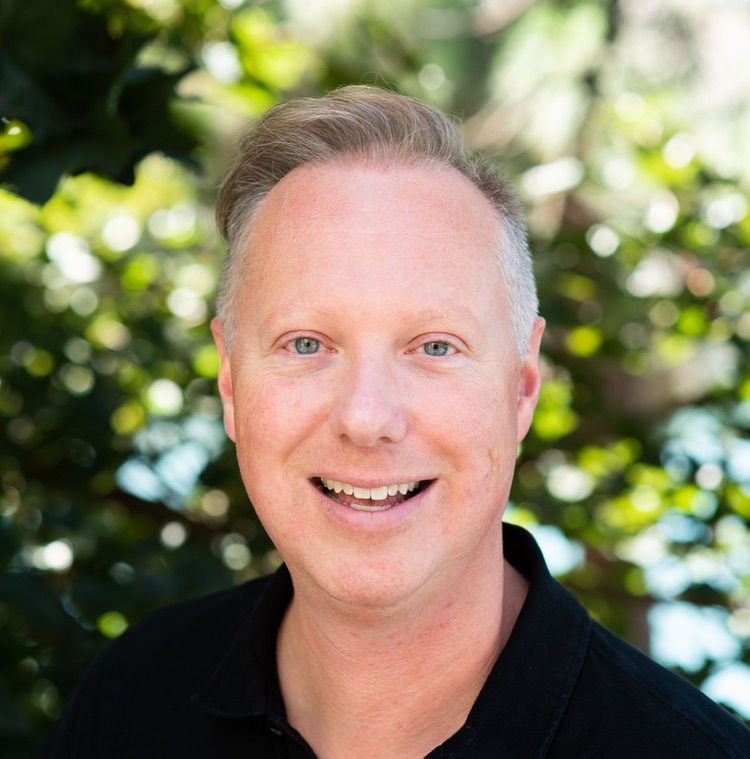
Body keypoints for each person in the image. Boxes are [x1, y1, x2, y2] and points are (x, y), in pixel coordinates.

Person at [42, 85, 749, 758]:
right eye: (306, 343)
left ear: (522, 385)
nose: (366, 417)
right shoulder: (134, 698)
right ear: (231, 381)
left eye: (435, 346)